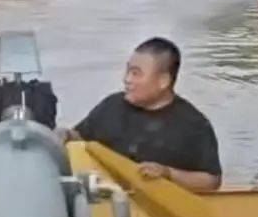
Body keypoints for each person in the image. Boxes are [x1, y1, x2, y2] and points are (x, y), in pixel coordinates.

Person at [64, 37, 221, 193]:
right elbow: (80, 139)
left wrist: (168, 173)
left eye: (136, 74)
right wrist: (64, 135)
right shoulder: (111, 106)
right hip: (108, 200)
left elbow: (211, 181)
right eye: (127, 71)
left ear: (163, 81)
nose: (127, 79)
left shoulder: (194, 125)